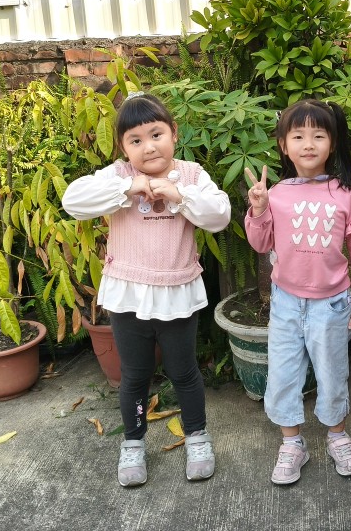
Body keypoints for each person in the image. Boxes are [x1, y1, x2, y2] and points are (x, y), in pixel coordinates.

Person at [62, 92, 231, 488]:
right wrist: (129, 187)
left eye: (156, 135)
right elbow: (73, 201)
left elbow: (219, 215)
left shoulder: (191, 175)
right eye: (135, 140)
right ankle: (133, 442)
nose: (148, 146)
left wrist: (178, 195)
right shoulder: (119, 175)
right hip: (129, 294)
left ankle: (197, 437)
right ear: (124, 147)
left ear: (174, 133)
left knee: (184, 372)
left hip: (177, 292)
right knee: (135, 376)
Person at [244, 99, 351, 486]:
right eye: (298, 136)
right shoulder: (276, 194)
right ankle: (292, 444)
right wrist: (259, 209)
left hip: (332, 304)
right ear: (283, 146)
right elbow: (260, 243)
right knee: (283, 374)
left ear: (332, 143)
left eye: (318, 135)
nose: (308, 144)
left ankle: (337, 436)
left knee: (332, 373)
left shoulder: (347, 194)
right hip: (285, 303)